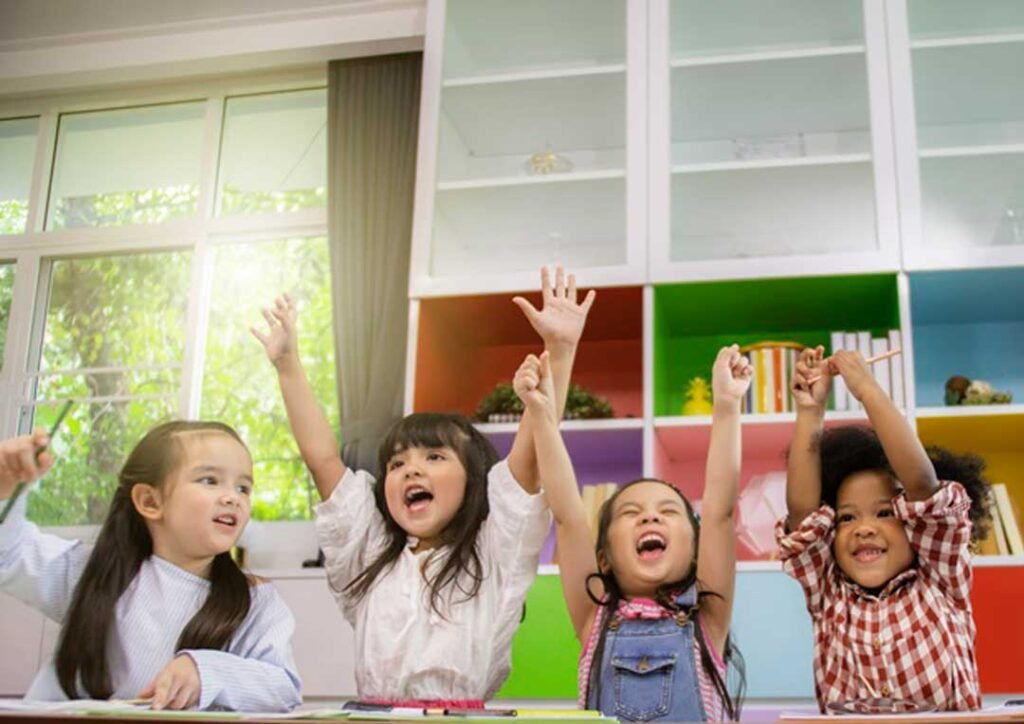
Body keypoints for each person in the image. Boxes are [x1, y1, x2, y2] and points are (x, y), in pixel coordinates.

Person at [0, 421, 301, 711]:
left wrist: (207, 672)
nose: (233, 498)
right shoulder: (92, 570)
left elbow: (283, 688)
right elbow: (8, 553)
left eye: (243, 488)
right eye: (209, 480)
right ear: (149, 501)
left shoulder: (256, 601)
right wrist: (3, 486)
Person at [779, 346, 990, 712]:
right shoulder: (828, 592)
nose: (864, 528)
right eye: (847, 518)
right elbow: (803, 514)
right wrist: (810, 411)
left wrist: (867, 389)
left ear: (913, 522)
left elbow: (922, 485)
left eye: (883, 513)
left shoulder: (940, 579)